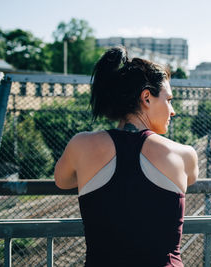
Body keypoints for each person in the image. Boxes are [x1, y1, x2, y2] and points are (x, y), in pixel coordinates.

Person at [54, 46, 199, 267]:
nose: (172, 110)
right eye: (168, 99)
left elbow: (62, 181)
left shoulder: (80, 145)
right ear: (147, 98)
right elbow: (190, 179)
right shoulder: (184, 155)